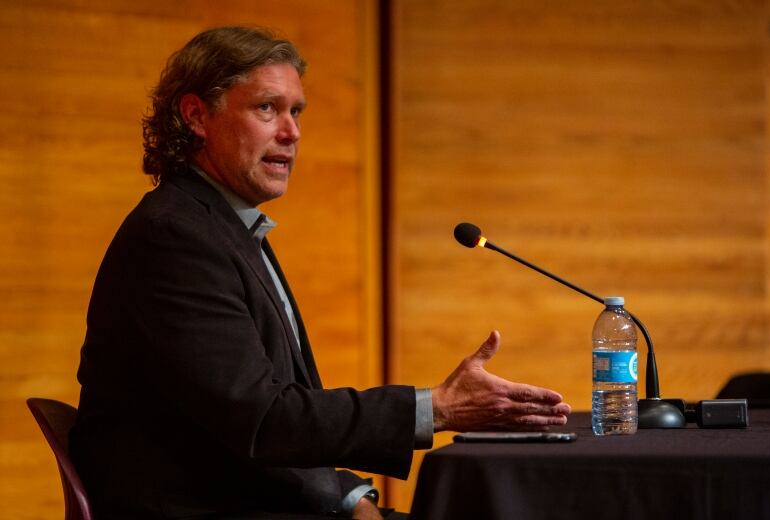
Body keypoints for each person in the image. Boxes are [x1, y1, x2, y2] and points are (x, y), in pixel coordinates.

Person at [70, 26, 571, 520]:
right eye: (267, 108)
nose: (291, 132)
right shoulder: (175, 238)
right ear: (197, 115)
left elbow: (279, 416)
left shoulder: (223, 228)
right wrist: (435, 408)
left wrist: (353, 497)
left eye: (295, 111)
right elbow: (262, 420)